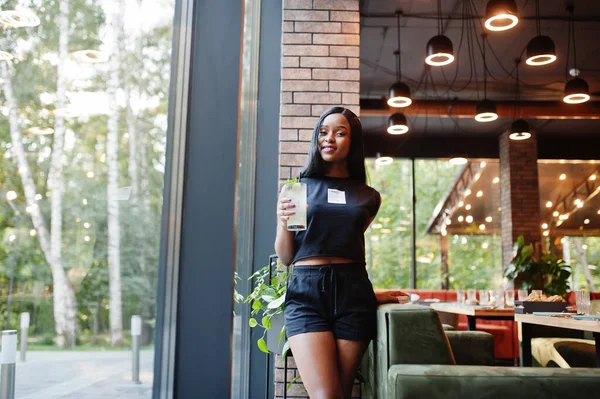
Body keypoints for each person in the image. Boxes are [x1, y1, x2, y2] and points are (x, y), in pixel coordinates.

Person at [275, 107, 399, 399]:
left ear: (352, 141)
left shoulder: (369, 197)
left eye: (340, 132)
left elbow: (349, 245)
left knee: (340, 394)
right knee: (326, 395)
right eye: (323, 131)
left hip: (353, 295)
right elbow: (286, 257)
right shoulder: (296, 189)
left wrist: (368, 293)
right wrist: (283, 223)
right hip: (306, 294)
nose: (329, 138)